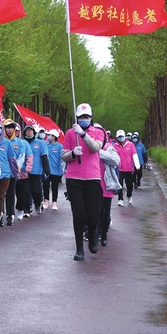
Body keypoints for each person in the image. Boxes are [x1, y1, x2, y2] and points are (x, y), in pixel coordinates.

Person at [61, 102, 107, 261]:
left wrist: (83, 135)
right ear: (77, 117)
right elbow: (64, 155)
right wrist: (73, 153)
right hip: (74, 178)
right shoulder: (69, 133)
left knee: (94, 213)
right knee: (78, 214)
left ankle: (93, 236)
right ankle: (79, 248)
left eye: (86, 117)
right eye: (81, 117)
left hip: (92, 177)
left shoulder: (99, 132)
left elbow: (95, 148)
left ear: (91, 117)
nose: (84, 119)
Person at [0, 120, 18, 230]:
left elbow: (12, 160)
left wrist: (15, 173)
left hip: (5, 174)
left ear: (1, 130)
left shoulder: (7, 143)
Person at [97, 131, 121, 247]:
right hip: (93, 184)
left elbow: (115, 161)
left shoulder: (109, 148)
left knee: (105, 213)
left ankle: (104, 234)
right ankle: (95, 233)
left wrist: (98, 152)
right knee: (94, 212)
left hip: (106, 184)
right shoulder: (87, 146)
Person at [24, 124, 50, 214]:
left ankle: (38, 203)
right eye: (27, 130)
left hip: (36, 171)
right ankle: (27, 209)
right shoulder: (22, 142)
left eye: (30, 130)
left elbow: (44, 157)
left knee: (36, 190)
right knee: (26, 190)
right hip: (24, 171)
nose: (29, 132)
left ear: (34, 132)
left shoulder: (41, 143)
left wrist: (47, 170)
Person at [114, 129, 141, 206]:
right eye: (119, 137)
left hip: (129, 168)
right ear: (117, 137)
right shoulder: (115, 146)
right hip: (119, 169)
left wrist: (137, 165)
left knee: (129, 185)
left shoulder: (130, 144)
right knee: (120, 185)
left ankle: (129, 195)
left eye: (122, 136)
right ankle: (120, 199)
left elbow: (134, 155)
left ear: (124, 136)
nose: (120, 138)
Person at [43, 130, 64, 210]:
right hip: (47, 170)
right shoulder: (45, 145)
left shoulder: (59, 146)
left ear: (54, 137)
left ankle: (54, 202)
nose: (49, 136)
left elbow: (62, 158)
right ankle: (46, 200)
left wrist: (62, 167)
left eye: (50, 135)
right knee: (45, 186)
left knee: (55, 187)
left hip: (56, 170)